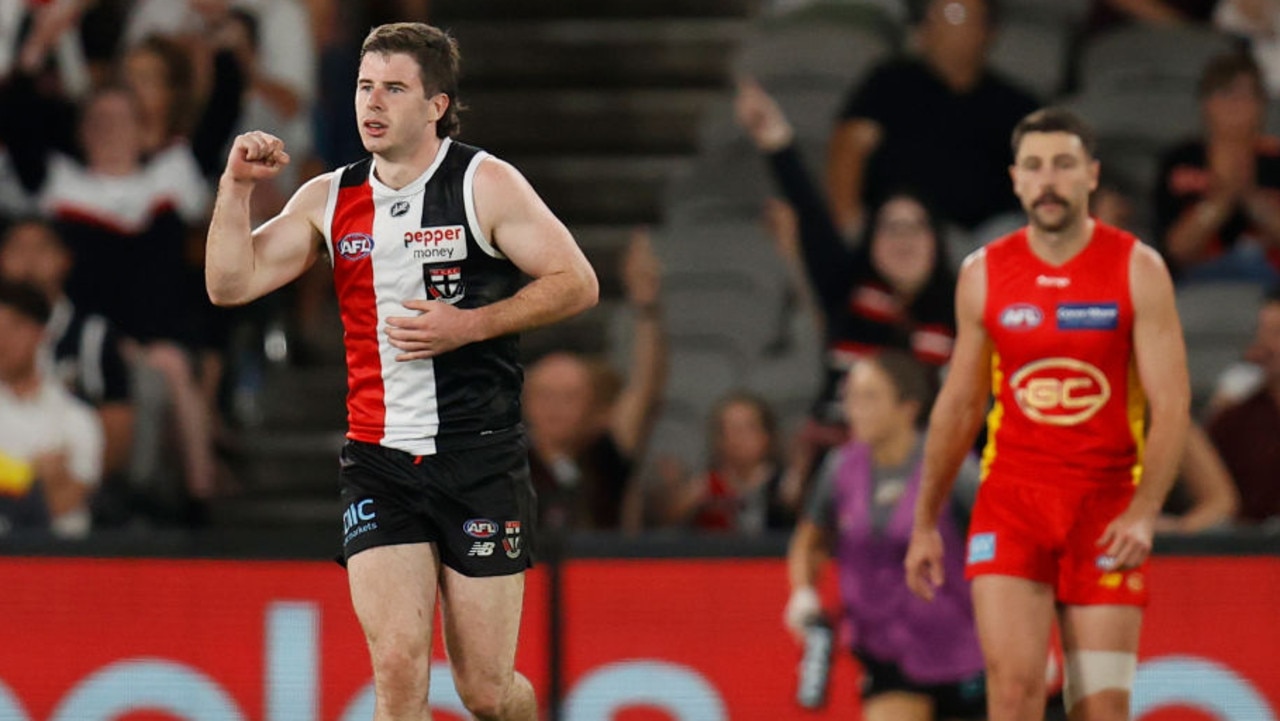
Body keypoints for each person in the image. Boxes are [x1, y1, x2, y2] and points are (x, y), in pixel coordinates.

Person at [205, 22, 598, 721]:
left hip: (480, 455)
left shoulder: (484, 183)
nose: (372, 103)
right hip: (379, 459)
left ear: (436, 106)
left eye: (393, 88)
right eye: (363, 86)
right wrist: (235, 187)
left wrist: (471, 323)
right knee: (396, 667)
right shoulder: (329, 196)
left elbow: (577, 282)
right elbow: (231, 284)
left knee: (485, 689)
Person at [905, 108, 1191, 721]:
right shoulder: (983, 274)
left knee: (1102, 709)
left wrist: (1144, 512)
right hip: (1013, 502)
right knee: (1012, 695)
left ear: (1091, 175)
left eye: (1063, 165)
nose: (1048, 180)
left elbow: (1172, 405)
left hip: (1106, 508)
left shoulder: (1138, 270)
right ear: (1015, 180)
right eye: (1034, 167)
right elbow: (958, 406)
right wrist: (925, 518)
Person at [785, 350, 985, 721]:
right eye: (851, 397)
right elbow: (809, 538)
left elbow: (997, 535)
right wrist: (803, 592)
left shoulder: (951, 463)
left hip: (960, 647)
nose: (855, 409)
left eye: (870, 397)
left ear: (908, 406)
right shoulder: (840, 468)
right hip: (883, 648)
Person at [824, 0, 1038, 238]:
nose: (935, 24)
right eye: (929, 15)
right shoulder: (890, 84)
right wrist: (849, 228)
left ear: (988, 30)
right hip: (899, 235)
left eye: (953, 14)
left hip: (985, 241)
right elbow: (849, 147)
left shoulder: (1017, 106)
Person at [523, 230, 667, 533]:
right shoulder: (506, 461)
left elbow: (645, 388)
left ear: (593, 407)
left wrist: (647, 309)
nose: (555, 407)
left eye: (570, 397)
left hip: (605, 575)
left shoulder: (605, 456)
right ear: (526, 402)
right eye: (545, 395)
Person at [1154, 52, 1280, 285]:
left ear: (1263, 106)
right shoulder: (1182, 160)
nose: (1236, 104)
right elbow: (1176, 251)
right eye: (1226, 93)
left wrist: (1251, 199)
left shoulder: (1275, 160)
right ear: (1206, 103)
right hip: (1196, 281)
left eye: (1248, 95)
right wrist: (1221, 201)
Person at [0, 279, 103, 538]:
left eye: (14, 327)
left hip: (59, 559)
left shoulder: (76, 418)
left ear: (40, 334)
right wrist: (33, 476)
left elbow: (69, 501)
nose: (2, 339)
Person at [657, 391, 796, 533]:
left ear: (767, 435)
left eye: (747, 428)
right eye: (728, 430)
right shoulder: (705, 486)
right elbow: (665, 522)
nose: (737, 439)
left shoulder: (785, 484)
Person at [1207, 284, 1280, 523]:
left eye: (1277, 333)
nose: (1265, 345)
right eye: (1262, 332)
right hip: (1252, 554)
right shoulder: (1234, 422)